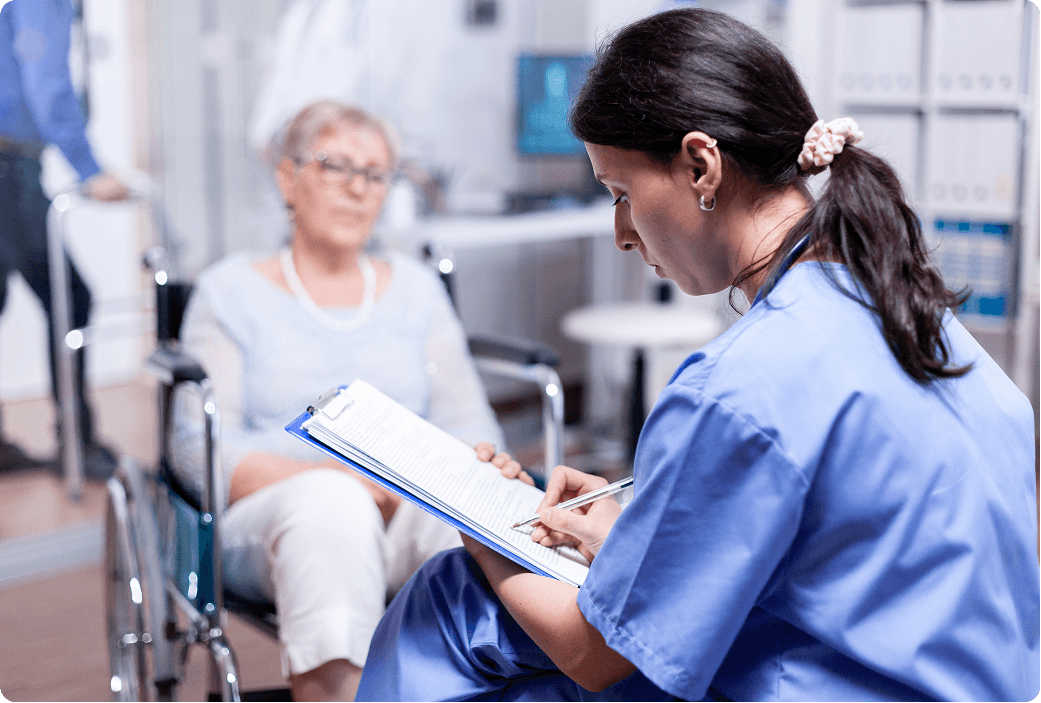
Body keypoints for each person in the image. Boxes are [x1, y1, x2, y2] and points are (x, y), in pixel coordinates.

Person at [355, 8, 1040, 702]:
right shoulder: (918, 319)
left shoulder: (739, 384)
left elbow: (595, 655)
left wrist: (481, 531)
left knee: (452, 598)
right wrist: (644, 525)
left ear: (699, 164)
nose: (622, 232)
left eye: (622, 193)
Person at [170, 100, 526, 702]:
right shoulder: (229, 291)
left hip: (405, 503)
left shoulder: (415, 291)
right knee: (331, 503)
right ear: (288, 178)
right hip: (277, 513)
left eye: (376, 173)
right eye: (337, 166)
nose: (358, 189)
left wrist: (474, 476)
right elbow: (196, 449)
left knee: (474, 519)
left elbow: (467, 420)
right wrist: (335, 477)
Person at [0, 0, 130, 477]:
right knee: (70, 298)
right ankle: (78, 443)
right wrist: (90, 169)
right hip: (7, 164)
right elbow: (45, 78)